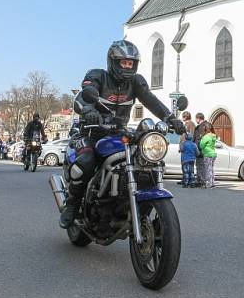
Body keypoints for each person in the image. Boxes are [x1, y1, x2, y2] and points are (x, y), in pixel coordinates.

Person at [60, 39, 185, 229]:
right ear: (113, 61)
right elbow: (83, 96)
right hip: (92, 133)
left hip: (119, 133)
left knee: (145, 162)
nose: (127, 66)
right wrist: (88, 110)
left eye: (131, 63)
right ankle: (72, 205)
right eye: (124, 62)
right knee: (86, 163)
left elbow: (151, 101)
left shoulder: (136, 82)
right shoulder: (98, 76)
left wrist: (170, 118)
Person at [199, 124, 218, 188]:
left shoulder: (206, 137)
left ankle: (208, 183)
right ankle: (212, 183)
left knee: (207, 169)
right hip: (213, 153)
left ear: (205, 129)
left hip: (207, 154)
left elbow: (201, 146)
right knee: (211, 169)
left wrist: (201, 138)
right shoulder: (214, 136)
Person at [192, 112, 208, 186]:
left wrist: (197, 148)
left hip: (201, 150)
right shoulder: (206, 125)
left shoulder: (202, 127)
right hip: (203, 149)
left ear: (198, 118)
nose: (196, 120)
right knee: (200, 165)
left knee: (200, 166)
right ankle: (199, 180)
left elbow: (200, 139)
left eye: (196, 118)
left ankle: (202, 181)